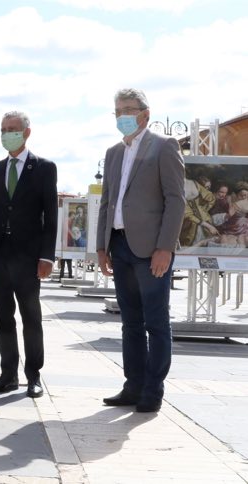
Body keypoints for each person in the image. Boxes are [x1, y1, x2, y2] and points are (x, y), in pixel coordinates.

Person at [97, 88, 186, 413]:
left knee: (156, 322)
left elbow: (176, 200)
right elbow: (108, 201)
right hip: (119, 246)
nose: (122, 115)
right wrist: (101, 247)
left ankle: (153, 390)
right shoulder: (113, 153)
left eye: (128, 109)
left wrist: (165, 247)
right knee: (130, 323)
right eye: (117, 110)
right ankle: (132, 385)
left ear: (145, 114)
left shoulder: (164, 146)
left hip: (151, 250)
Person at [0, 111, 58, 399]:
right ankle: (8, 373)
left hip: (29, 256)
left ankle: (33, 375)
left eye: (12, 129)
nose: (6, 133)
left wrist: (47, 257)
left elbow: (51, 216)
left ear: (26, 132)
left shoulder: (44, 168)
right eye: (3, 129)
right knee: (2, 316)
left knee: (31, 317)